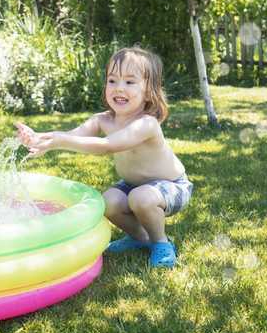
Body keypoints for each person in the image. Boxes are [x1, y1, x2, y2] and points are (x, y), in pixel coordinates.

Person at [16, 47, 192, 268]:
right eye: (112, 80)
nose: (119, 88)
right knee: (107, 203)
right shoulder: (103, 120)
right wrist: (42, 140)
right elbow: (73, 137)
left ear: (148, 91)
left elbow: (107, 146)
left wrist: (61, 139)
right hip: (133, 185)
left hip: (172, 186)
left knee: (141, 198)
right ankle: (140, 238)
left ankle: (161, 242)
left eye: (130, 82)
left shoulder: (146, 123)